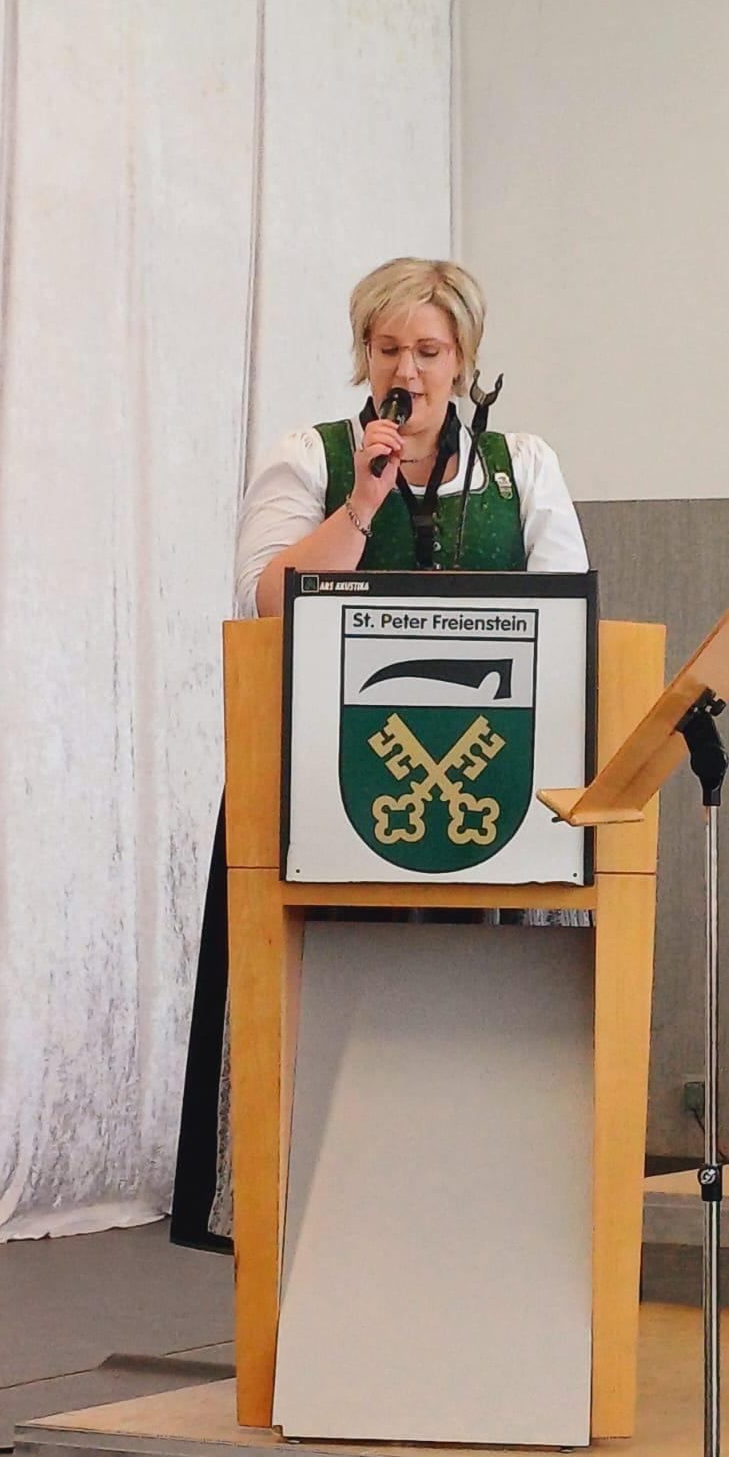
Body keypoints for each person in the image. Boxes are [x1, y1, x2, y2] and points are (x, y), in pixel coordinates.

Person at [171, 257, 588, 1254]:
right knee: (323, 1020)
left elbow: (568, 611)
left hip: (489, 798)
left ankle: (473, 1218)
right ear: (363, 355)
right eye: (388, 346)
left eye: (428, 350)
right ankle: (298, 1224)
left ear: (464, 360)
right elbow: (267, 603)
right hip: (321, 789)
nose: (407, 366)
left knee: (466, 1025)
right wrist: (361, 503)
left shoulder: (519, 464)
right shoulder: (309, 456)